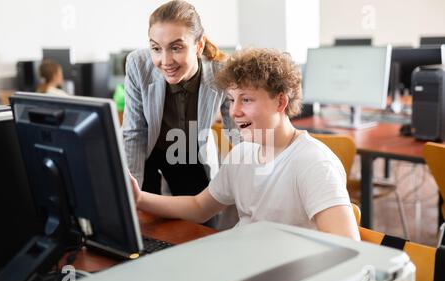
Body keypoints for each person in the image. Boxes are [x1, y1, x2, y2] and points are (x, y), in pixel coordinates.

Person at [129, 47, 360, 240]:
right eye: (231, 100)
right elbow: (199, 207)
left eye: (246, 100)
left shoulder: (314, 163)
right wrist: (139, 198)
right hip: (245, 264)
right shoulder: (242, 155)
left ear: (280, 101)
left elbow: (348, 246)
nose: (234, 111)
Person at [123, 0, 236, 228]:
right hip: (149, 154)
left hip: (191, 154)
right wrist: (129, 191)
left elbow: (238, 131)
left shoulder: (222, 71)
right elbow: (135, 132)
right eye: (156, 48)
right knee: (147, 225)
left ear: (199, 44)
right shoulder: (137, 64)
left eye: (176, 47)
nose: (165, 61)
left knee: (202, 226)